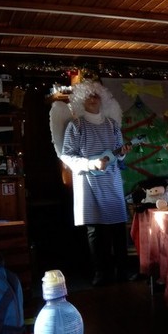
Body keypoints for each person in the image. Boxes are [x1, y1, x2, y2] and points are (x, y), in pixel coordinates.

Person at [60, 81, 130, 286]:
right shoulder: (76, 125)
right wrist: (91, 164)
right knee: (95, 231)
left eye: (96, 95)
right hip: (88, 182)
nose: (92, 99)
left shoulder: (112, 125)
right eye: (88, 96)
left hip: (111, 181)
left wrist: (122, 154)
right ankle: (101, 274)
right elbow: (67, 155)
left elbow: (118, 153)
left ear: (103, 99)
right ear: (81, 100)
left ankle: (123, 273)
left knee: (118, 228)